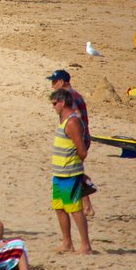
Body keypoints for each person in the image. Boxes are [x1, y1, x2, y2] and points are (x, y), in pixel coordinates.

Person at [49, 88, 92, 253]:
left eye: (54, 104)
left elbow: (82, 150)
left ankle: (85, 245)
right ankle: (67, 243)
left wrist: (76, 168)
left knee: (75, 210)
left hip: (69, 173)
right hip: (59, 173)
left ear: (63, 102)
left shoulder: (72, 122)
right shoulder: (63, 120)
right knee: (59, 208)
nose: (53, 107)